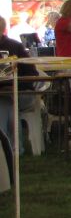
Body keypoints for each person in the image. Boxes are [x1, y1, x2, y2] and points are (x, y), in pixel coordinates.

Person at [0, 16, 39, 154]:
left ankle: (8, 149)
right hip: (8, 95)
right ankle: (13, 149)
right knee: (5, 101)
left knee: (5, 101)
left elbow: (32, 74)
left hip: (22, 93)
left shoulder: (15, 46)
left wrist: (15, 85)